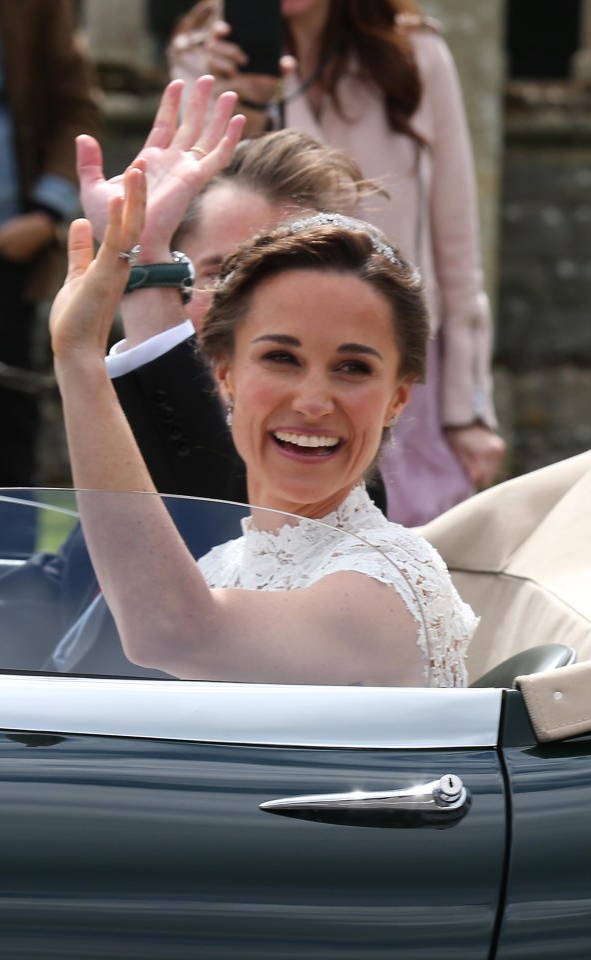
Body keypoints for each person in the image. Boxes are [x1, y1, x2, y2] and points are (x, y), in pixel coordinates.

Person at [0, 79, 385, 674]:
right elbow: (59, 589)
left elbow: (215, 497)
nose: (243, 311)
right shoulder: (148, 425)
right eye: (217, 274)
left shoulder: (324, 458)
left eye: (273, 287)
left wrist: (144, 264)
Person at [48, 126, 478, 687]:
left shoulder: (388, 583)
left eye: (353, 368)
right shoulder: (224, 564)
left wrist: (80, 359)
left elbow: (170, 630)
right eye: (281, 358)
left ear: (398, 395)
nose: (314, 401)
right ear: (224, 372)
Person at [168, 0, 507, 525]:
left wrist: (469, 409)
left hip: (391, 356)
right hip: (271, 357)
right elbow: (207, 213)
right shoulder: (202, 56)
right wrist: (247, 101)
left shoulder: (417, 54)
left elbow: (458, 246)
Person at [0, 0, 100, 552]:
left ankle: (7, 593)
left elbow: (76, 107)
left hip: (0, 245)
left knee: (5, 433)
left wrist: (45, 213)